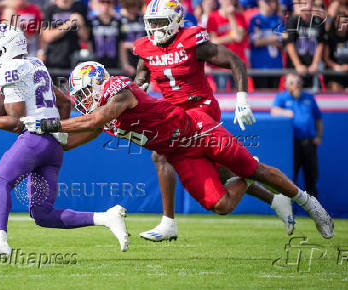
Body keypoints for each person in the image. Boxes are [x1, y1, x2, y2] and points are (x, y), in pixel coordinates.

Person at [21, 61, 334, 241]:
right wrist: (34, 138)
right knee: (221, 205)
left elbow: (96, 117)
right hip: (180, 153)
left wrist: (48, 125)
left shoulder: (119, 90)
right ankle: (245, 182)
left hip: (199, 131)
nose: (83, 98)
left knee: (257, 170)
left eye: (85, 91)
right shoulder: (100, 115)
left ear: (99, 82)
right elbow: (74, 139)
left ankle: (308, 202)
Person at [132, 0, 293, 242]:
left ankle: (168, 222)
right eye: (151, 23)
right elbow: (141, 76)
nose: (155, 28)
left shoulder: (192, 41)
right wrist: (136, 91)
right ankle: (274, 198)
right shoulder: (146, 48)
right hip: (174, 114)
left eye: (160, 22)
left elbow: (233, 61)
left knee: (161, 154)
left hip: (201, 109)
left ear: (175, 22)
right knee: (221, 174)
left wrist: (241, 100)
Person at [0, 25, 129, 257]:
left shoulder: (10, 68)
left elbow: (17, 122)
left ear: (3, 50)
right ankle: (106, 218)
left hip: (35, 140)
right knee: (42, 214)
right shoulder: (35, 63)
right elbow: (64, 104)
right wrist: (55, 131)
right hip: (52, 145)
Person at [271, 73, 323, 198]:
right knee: (290, 177)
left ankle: (315, 210)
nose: (296, 85)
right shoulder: (282, 97)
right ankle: (288, 208)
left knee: (311, 176)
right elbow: (273, 111)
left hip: (309, 142)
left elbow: (318, 118)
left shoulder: (309, 97)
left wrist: (319, 136)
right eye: (293, 83)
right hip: (291, 144)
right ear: (286, 85)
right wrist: (284, 112)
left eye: (299, 82)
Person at [206, 0, 249, 89]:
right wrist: (231, 37)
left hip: (237, 63)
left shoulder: (240, 17)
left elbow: (238, 37)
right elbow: (214, 41)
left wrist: (231, 17)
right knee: (222, 96)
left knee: (238, 95)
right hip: (220, 64)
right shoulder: (213, 17)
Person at [285, 0, 325, 89]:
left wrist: (315, 64)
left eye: (309, 3)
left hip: (313, 69)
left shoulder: (319, 21)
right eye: (304, 3)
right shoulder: (293, 21)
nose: (307, 6)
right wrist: (298, 65)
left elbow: (320, 44)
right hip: (295, 69)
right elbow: (289, 45)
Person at [41, 0, 88, 70]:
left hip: (75, 60)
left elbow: (85, 38)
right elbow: (47, 37)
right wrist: (68, 24)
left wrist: (81, 25)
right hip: (54, 61)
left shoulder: (79, 7)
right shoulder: (50, 9)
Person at [248, 0, 284, 89]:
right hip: (259, 66)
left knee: (273, 97)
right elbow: (255, 42)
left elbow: (282, 42)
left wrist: (263, 40)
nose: (269, 4)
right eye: (266, 1)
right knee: (261, 97)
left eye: (271, 1)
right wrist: (273, 38)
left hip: (275, 66)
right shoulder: (254, 20)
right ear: (259, 2)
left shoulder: (278, 19)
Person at [88, 0, 121, 69]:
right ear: (98, 4)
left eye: (108, 2)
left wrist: (123, 63)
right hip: (97, 62)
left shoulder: (118, 20)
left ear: (113, 4)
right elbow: (89, 42)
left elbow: (121, 43)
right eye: (102, 2)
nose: (105, 5)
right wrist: (90, 61)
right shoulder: (91, 20)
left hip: (114, 63)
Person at [323, 1, 348, 92]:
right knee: (335, 88)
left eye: (345, 22)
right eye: (339, 22)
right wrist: (337, 67)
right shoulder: (330, 38)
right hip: (334, 74)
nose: (342, 25)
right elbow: (326, 58)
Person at [119, 0, 145, 76]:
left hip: (141, 56)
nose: (132, 10)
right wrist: (125, 64)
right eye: (129, 7)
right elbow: (121, 44)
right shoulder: (120, 20)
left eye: (134, 7)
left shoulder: (143, 18)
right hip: (128, 57)